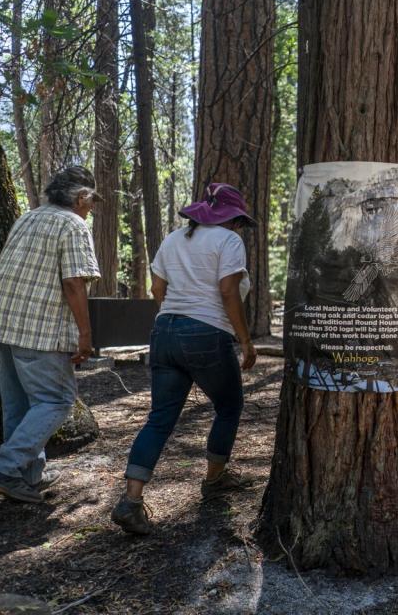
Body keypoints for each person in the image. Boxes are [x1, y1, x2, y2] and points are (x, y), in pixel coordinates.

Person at [111, 183, 258, 535]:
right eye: (238, 220)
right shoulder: (229, 241)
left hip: (164, 331)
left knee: (160, 418)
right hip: (208, 332)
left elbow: (157, 290)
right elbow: (227, 292)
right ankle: (215, 479)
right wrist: (246, 341)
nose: (238, 227)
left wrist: (176, 319)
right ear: (231, 218)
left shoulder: (175, 238)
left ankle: (131, 500)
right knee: (229, 406)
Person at [0, 166, 101, 503]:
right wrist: (85, 334)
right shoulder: (73, 224)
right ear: (81, 197)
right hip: (38, 327)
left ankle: (26, 474)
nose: (90, 209)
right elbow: (73, 282)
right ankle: (3, 468)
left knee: (19, 404)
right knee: (56, 399)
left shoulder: (28, 217)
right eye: (90, 202)